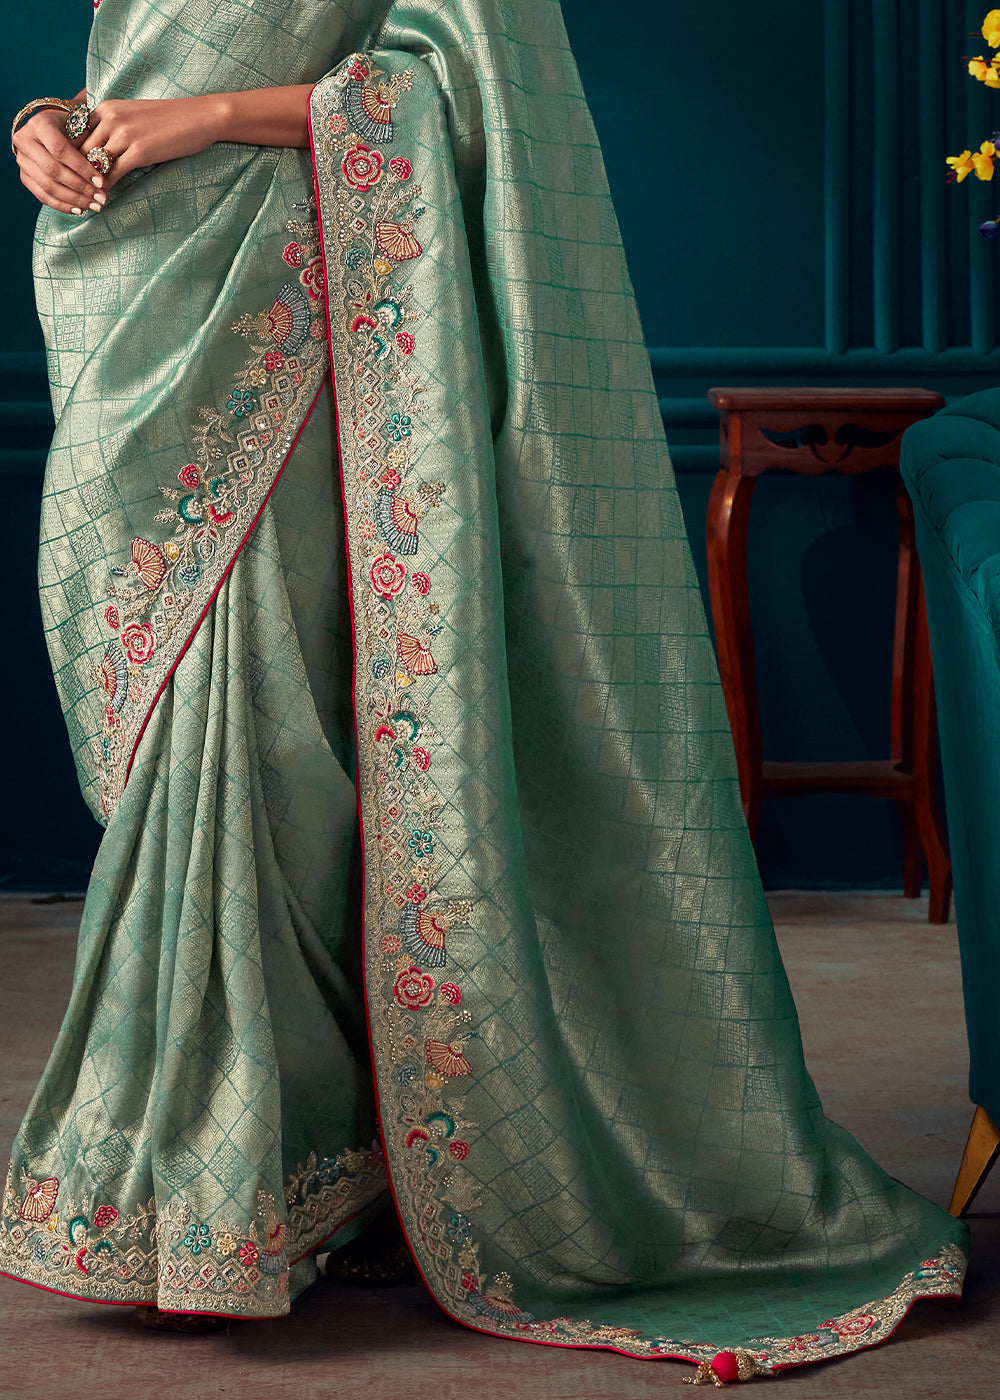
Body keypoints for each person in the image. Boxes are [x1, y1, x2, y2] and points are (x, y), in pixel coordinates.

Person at [1, 0, 967, 1383]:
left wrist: (206, 120)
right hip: (139, 293)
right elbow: (138, 66)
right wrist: (48, 127)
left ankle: (215, 1190)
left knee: (257, 742)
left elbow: (458, 90)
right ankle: (311, 1168)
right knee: (212, 744)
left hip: (294, 301)